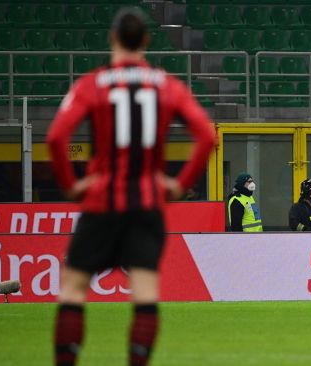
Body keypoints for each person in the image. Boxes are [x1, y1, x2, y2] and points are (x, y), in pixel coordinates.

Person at [47, 8, 217, 366]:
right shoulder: (167, 85)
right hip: (147, 202)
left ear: (111, 38)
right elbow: (206, 134)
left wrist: (72, 186)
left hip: (100, 201)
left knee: (73, 291)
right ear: (146, 41)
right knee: (144, 295)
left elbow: (56, 136)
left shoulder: (92, 83)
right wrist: (178, 185)